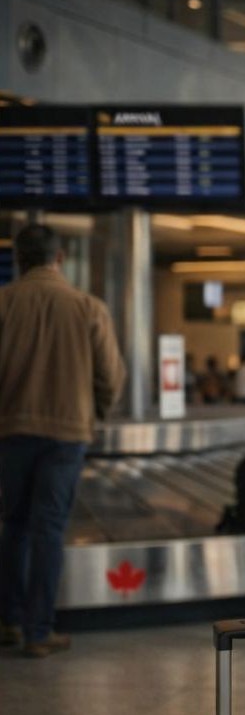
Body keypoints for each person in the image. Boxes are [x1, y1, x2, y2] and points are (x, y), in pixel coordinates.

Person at [0, 223, 126, 657]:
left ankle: (9, 621)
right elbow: (110, 375)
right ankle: (40, 631)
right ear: (59, 258)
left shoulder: (3, 303)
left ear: (19, 259)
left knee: (12, 525)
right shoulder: (87, 307)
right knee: (48, 529)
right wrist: (94, 414)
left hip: (11, 431)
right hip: (66, 434)